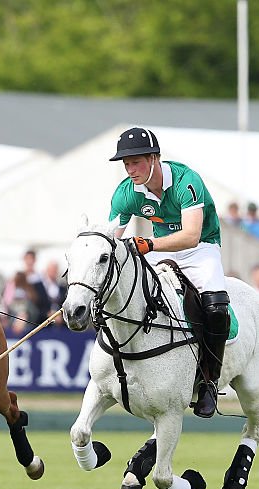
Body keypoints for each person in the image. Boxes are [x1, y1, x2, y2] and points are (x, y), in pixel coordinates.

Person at [107, 126, 228, 418]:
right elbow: (112, 236)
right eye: (126, 163)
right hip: (161, 250)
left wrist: (148, 244)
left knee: (216, 308)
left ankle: (209, 381)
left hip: (201, 248)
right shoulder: (126, 193)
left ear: (154, 158)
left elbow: (191, 235)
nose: (130, 169)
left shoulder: (187, 181)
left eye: (136, 161)